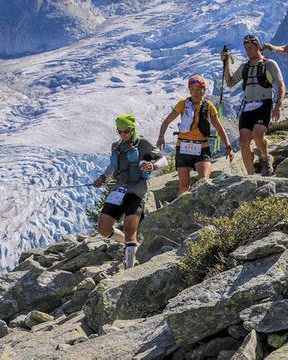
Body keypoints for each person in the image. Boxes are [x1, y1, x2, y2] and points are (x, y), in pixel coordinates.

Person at [93, 114, 168, 269]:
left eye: (126, 131)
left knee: (130, 228)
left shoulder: (143, 144)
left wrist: (153, 166)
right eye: (119, 132)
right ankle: (128, 244)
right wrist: (103, 177)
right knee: (103, 228)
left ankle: (129, 269)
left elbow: (164, 160)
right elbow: (113, 165)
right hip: (118, 189)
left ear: (133, 129)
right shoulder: (116, 146)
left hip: (137, 191)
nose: (123, 135)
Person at [157, 75, 234, 196]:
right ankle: (180, 211)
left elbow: (219, 127)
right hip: (183, 148)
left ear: (204, 89)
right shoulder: (183, 104)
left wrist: (228, 146)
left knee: (204, 182)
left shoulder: (209, 106)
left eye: (198, 89)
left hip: (202, 148)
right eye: (192, 89)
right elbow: (167, 121)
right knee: (184, 186)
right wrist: (161, 137)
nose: (195, 92)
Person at [222, 34, 285, 175]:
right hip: (248, 106)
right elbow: (230, 82)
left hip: (265, 103)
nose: (248, 51)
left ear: (258, 47)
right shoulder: (245, 67)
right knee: (243, 141)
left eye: (250, 48)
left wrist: (278, 105)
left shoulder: (269, 64)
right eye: (246, 48)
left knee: (257, 135)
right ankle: (251, 175)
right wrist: (226, 64)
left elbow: (281, 86)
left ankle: (266, 157)